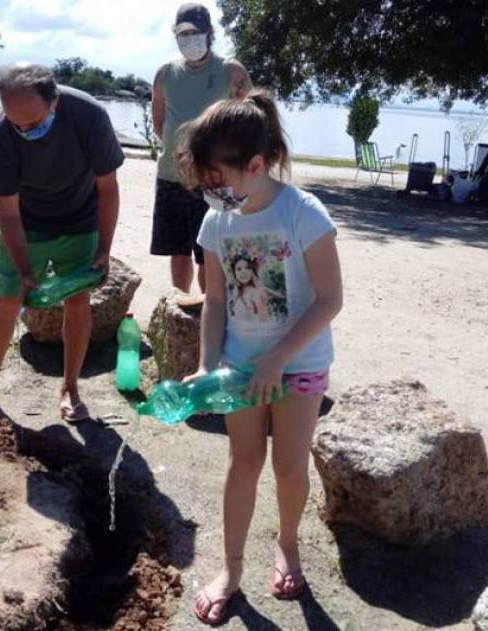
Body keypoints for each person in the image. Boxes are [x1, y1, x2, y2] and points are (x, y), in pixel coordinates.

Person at [177, 91, 343, 626]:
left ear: (255, 165)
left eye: (218, 181)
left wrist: (278, 359)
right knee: (242, 462)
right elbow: (217, 300)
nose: (213, 193)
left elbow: (329, 299)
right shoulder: (216, 222)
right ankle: (231, 569)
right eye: (205, 185)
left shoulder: (303, 213)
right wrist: (207, 363)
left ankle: (288, 544)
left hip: (298, 362)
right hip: (241, 365)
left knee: (289, 465)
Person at [0, 63, 124, 424]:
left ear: (55, 101)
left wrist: (104, 248)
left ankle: (70, 388)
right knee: (7, 300)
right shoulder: (0, 135)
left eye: (33, 124)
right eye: (16, 123)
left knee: (78, 301)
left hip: (79, 219)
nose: (24, 131)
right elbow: (7, 211)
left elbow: (108, 189)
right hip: (25, 223)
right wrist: (22, 266)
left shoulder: (90, 116)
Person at [151, 2, 252, 293]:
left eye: (195, 32)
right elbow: (159, 123)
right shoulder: (164, 74)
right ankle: (181, 307)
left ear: (210, 33)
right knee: (177, 250)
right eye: (182, 34)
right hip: (171, 176)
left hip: (214, 179)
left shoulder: (231, 71)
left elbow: (250, 122)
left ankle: (210, 311)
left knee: (209, 253)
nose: (189, 39)